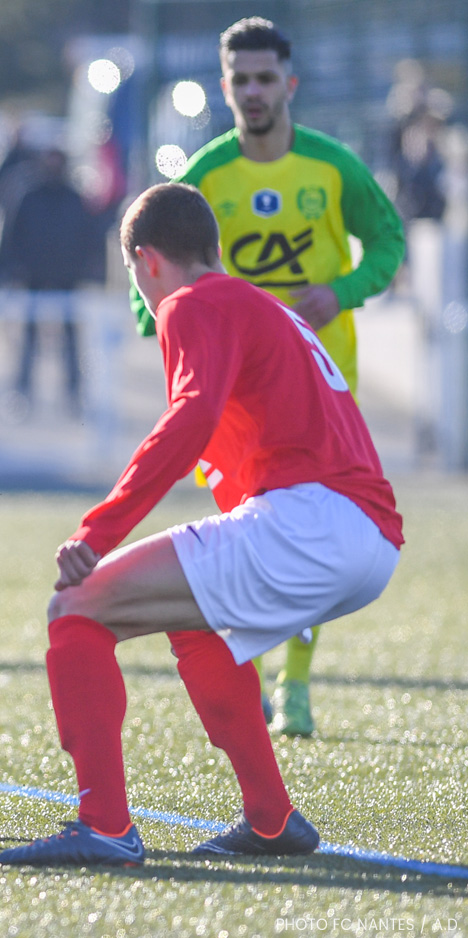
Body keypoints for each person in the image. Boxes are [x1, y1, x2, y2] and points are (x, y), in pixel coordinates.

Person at [0, 183, 402, 866]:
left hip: (313, 522)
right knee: (193, 617)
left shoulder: (191, 302)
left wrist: (97, 534)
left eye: (133, 275)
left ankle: (103, 825)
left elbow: (190, 420)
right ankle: (272, 820)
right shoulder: (255, 304)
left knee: (75, 608)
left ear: (147, 261)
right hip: (368, 537)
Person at [131, 18, 404, 736]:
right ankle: (248, 668)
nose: (253, 91)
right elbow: (149, 251)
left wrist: (342, 290)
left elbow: (389, 240)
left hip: (321, 376)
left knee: (307, 525)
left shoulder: (332, 165)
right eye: (240, 80)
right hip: (234, 386)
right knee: (243, 521)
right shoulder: (207, 173)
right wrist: (156, 318)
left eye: (265, 78)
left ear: (290, 82)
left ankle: (298, 684)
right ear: (225, 89)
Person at [0, 149, 101, 419]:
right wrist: (9, 272)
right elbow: (12, 235)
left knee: (70, 341)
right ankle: (22, 394)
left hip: (66, 278)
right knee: (29, 340)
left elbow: (89, 237)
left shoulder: (73, 198)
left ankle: (74, 395)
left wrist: (88, 270)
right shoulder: (29, 196)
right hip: (33, 277)